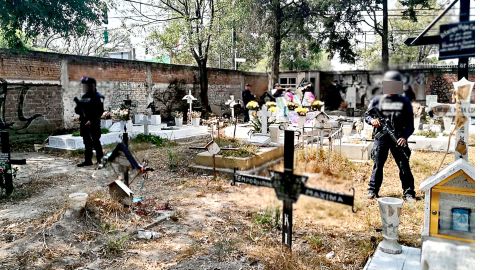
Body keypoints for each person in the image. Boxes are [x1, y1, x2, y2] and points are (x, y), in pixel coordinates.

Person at [364, 71, 416, 201]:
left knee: (404, 164)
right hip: (381, 137)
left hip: (398, 138)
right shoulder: (376, 100)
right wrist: (372, 121)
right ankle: (372, 190)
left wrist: (404, 137)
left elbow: (410, 125)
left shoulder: (405, 102)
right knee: (378, 164)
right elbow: (367, 116)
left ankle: (409, 193)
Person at [74, 76, 105, 167]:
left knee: (96, 142)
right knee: (87, 143)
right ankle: (88, 161)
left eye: (87, 85)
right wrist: (79, 108)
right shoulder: (84, 97)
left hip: (93, 124)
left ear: (93, 86)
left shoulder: (97, 97)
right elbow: (77, 110)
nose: (85, 87)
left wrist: (91, 120)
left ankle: (101, 161)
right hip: (84, 124)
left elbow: (100, 111)